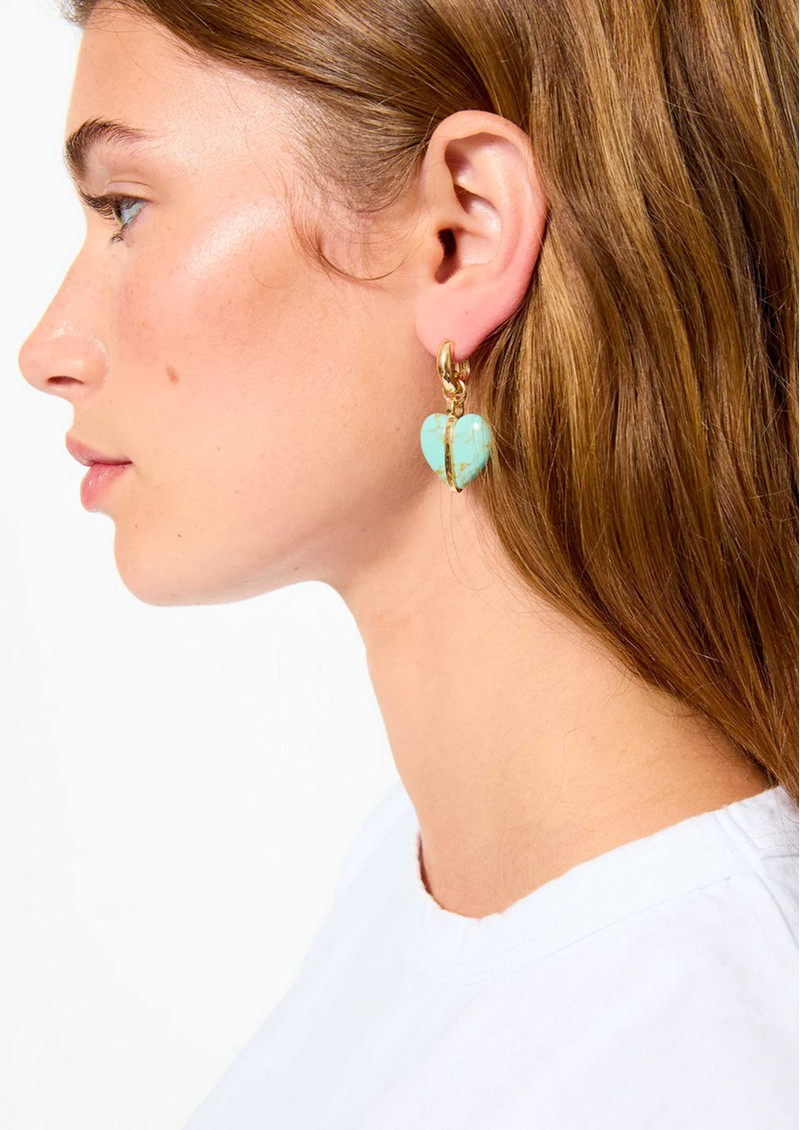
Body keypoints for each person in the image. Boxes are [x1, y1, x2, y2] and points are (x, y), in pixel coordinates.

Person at [18, 0, 798, 1126]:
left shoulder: (702, 1064)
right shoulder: (425, 872)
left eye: (126, 208)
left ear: (463, 236)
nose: (47, 348)